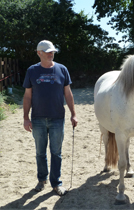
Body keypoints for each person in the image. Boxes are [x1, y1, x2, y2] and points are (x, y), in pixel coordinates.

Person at [23, 40, 78, 196]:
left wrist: (74, 114)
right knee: (40, 152)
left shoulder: (62, 70)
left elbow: (68, 93)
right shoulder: (32, 71)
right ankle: (42, 180)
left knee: (56, 152)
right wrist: (26, 118)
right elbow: (27, 96)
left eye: (52, 51)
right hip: (38, 119)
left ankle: (56, 183)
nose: (51, 53)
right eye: (47, 51)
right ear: (39, 53)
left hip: (57, 118)